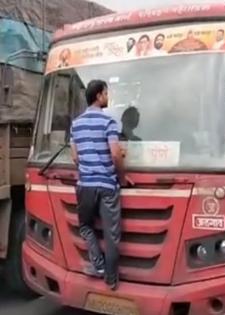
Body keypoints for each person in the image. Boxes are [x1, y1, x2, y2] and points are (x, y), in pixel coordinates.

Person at [70, 80, 129, 290]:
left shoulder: (76, 124)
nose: (108, 97)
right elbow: (115, 154)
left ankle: (99, 266)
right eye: (106, 93)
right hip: (107, 186)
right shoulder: (109, 122)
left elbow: (75, 158)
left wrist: (88, 166)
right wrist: (121, 178)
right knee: (111, 234)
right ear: (98, 96)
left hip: (85, 185)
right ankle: (111, 280)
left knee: (85, 227)